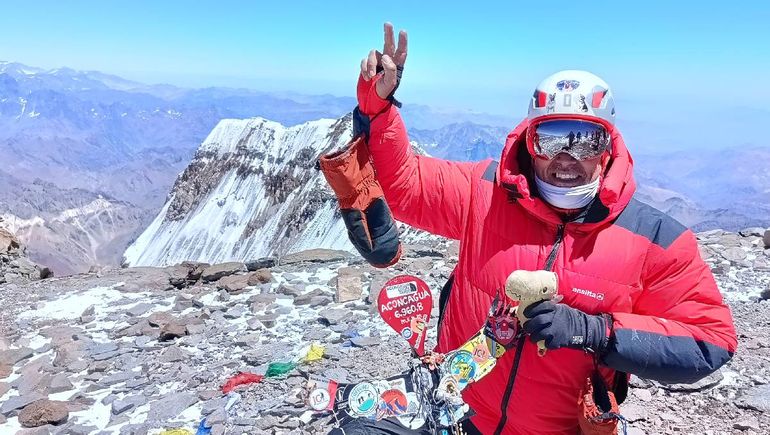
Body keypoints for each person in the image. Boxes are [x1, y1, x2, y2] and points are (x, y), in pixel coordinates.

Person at [336, 23, 737, 434]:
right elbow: (403, 187)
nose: (566, 157)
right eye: (551, 139)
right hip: (458, 415)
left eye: (585, 140)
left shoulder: (654, 239)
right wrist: (378, 107)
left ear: (609, 146)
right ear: (529, 141)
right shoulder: (485, 194)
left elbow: (712, 340)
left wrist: (594, 331)